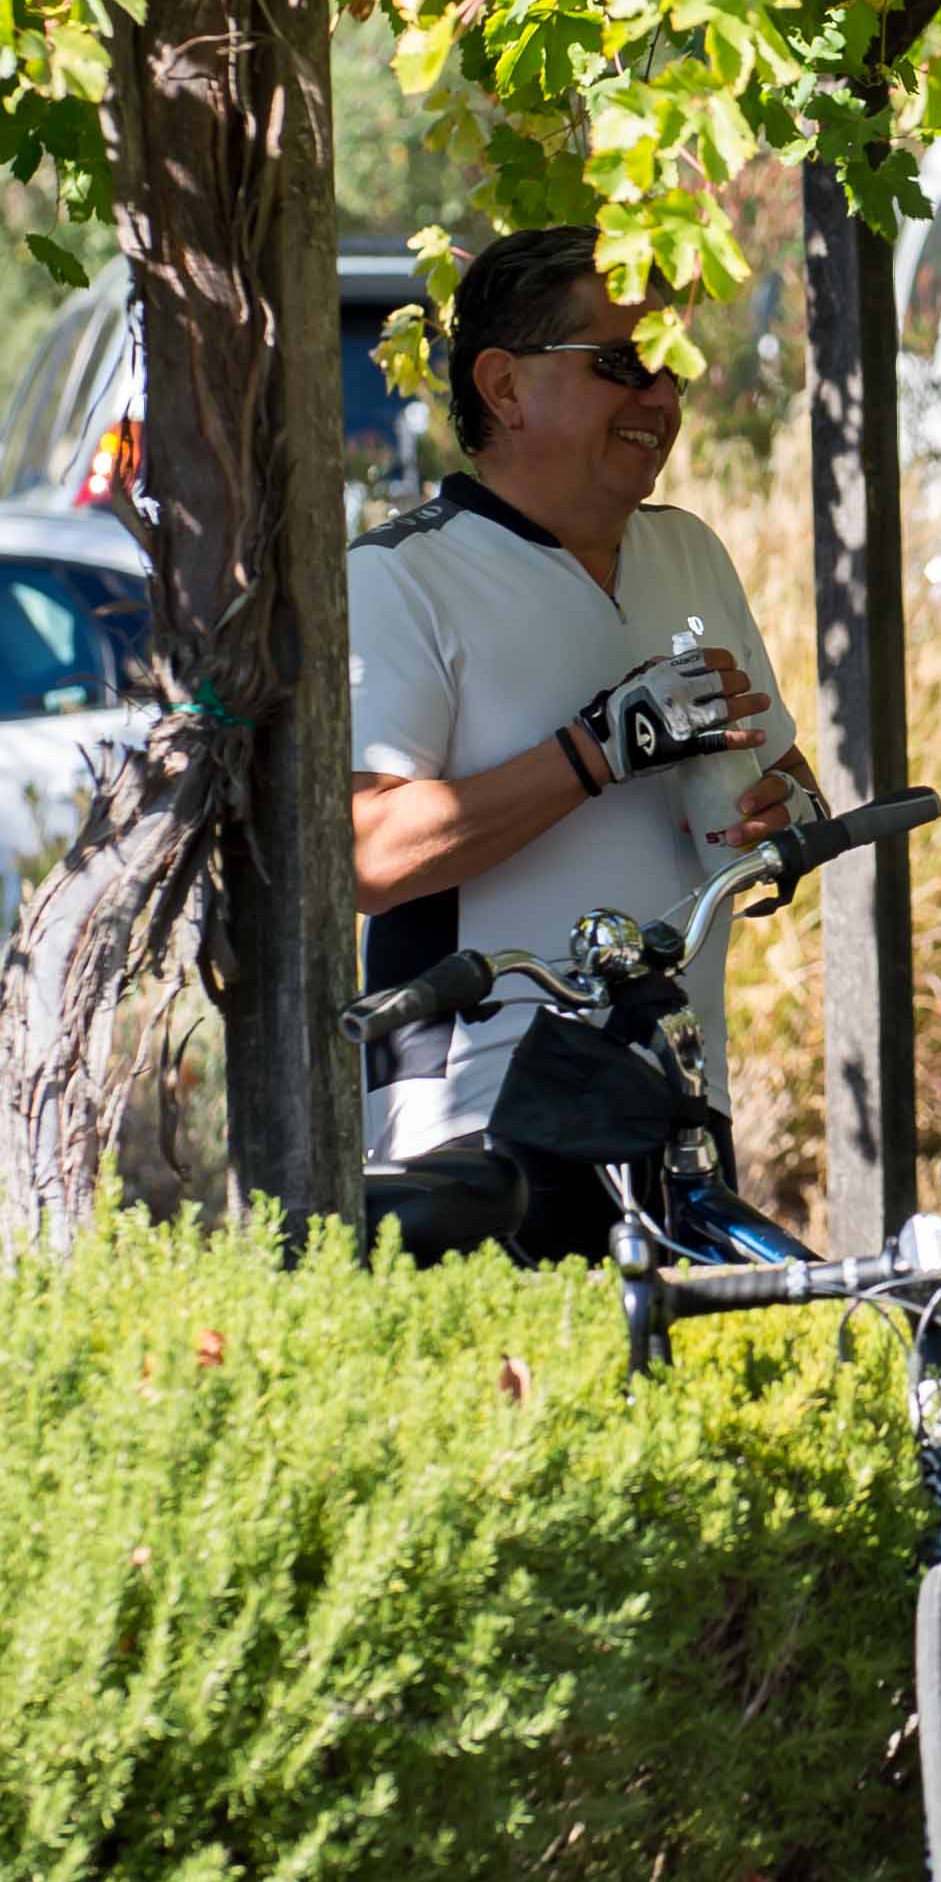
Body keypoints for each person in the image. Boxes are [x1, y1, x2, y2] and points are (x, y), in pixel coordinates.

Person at [346, 225, 806, 1195]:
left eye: (674, 366)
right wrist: (597, 748)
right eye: (625, 364)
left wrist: (783, 814)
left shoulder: (690, 551)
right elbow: (365, 852)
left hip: (674, 1088)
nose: (663, 397)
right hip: (474, 1116)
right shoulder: (400, 576)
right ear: (505, 387)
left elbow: (779, 772)